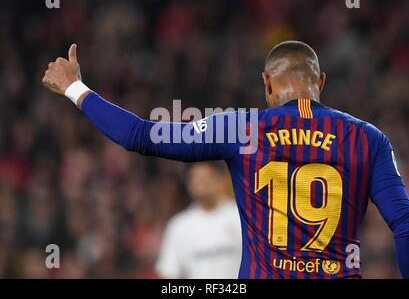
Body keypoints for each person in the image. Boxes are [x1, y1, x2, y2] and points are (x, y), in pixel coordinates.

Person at [41, 41, 409, 279]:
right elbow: (404, 223)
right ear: (321, 83)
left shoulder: (240, 129)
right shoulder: (369, 138)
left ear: (266, 83)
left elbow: (138, 135)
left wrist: (76, 88)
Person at [155, 162, 241, 279]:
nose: (201, 184)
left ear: (220, 180)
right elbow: (169, 272)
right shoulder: (179, 225)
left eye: (206, 178)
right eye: (196, 179)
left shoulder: (240, 217)